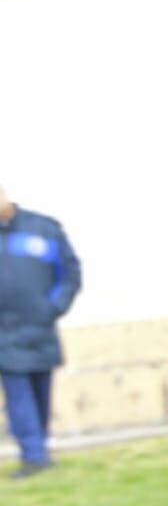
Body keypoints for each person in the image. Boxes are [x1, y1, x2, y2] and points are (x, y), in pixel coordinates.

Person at [0, 186, 81, 479]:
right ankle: (33, 455)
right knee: (18, 393)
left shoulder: (42, 229)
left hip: (40, 327)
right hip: (4, 334)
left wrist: (53, 307)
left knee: (41, 391)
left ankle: (40, 449)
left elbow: (70, 273)